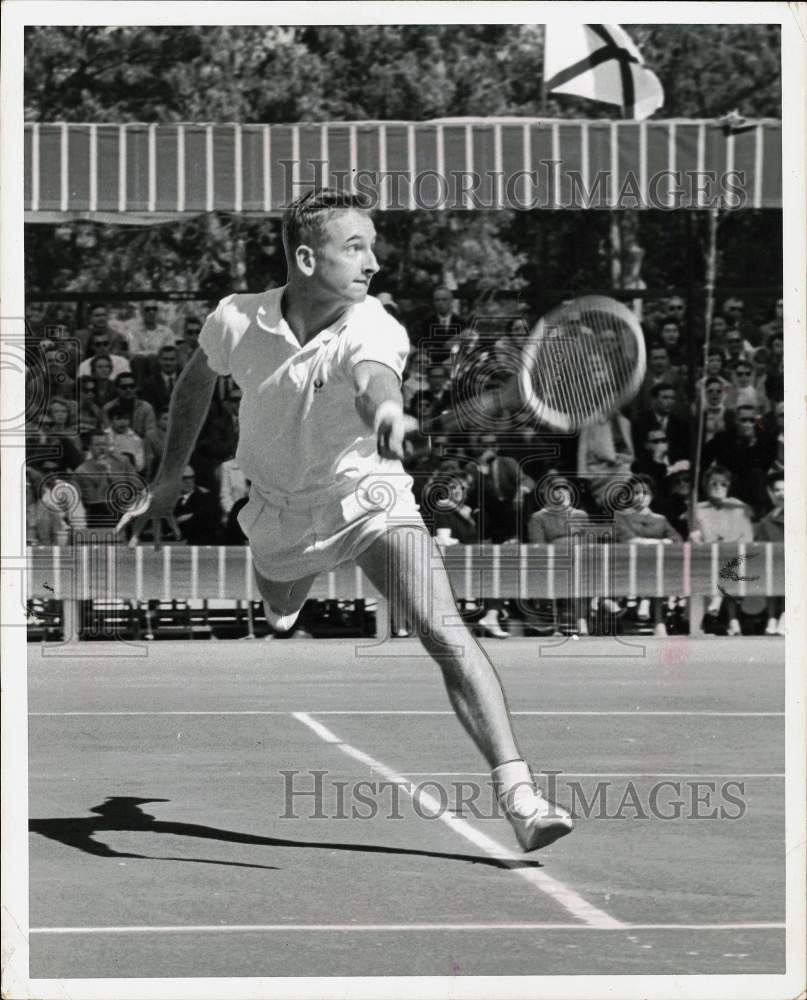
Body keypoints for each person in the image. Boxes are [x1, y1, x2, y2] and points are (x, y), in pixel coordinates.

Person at [123, 187, 573, 853]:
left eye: (373, 248)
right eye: (354, 247)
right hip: (277, 510)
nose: (373, 263)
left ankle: (521, 798)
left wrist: (387, 416)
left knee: (446, 633)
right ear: (306, 257)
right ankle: (285, 592)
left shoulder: (374, 325)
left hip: (366, 496)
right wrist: (166, 480)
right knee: (279, 602)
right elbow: (194, 385)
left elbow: (372, 383)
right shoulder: (235, 320)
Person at [690, 465, 754, 636]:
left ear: (729, 486)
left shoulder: (739, 507)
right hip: (706, 556)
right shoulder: (698, 509)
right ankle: (731, 620)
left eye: (723, 484)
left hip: (734, 554)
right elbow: (695, 536)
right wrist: (696, 537)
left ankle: (718, 601)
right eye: (714, 483)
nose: (718, 487)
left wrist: (730, 546)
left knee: (728, 563)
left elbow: (747, 537)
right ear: (706, 486)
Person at [754, 470, 785, 636]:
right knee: (770, 574)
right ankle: (771, 617)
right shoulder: (767, 519)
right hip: (774, 562)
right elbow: (760, 541)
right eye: (777, 490)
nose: (781, 494)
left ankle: (785, 615)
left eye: (785, 489)